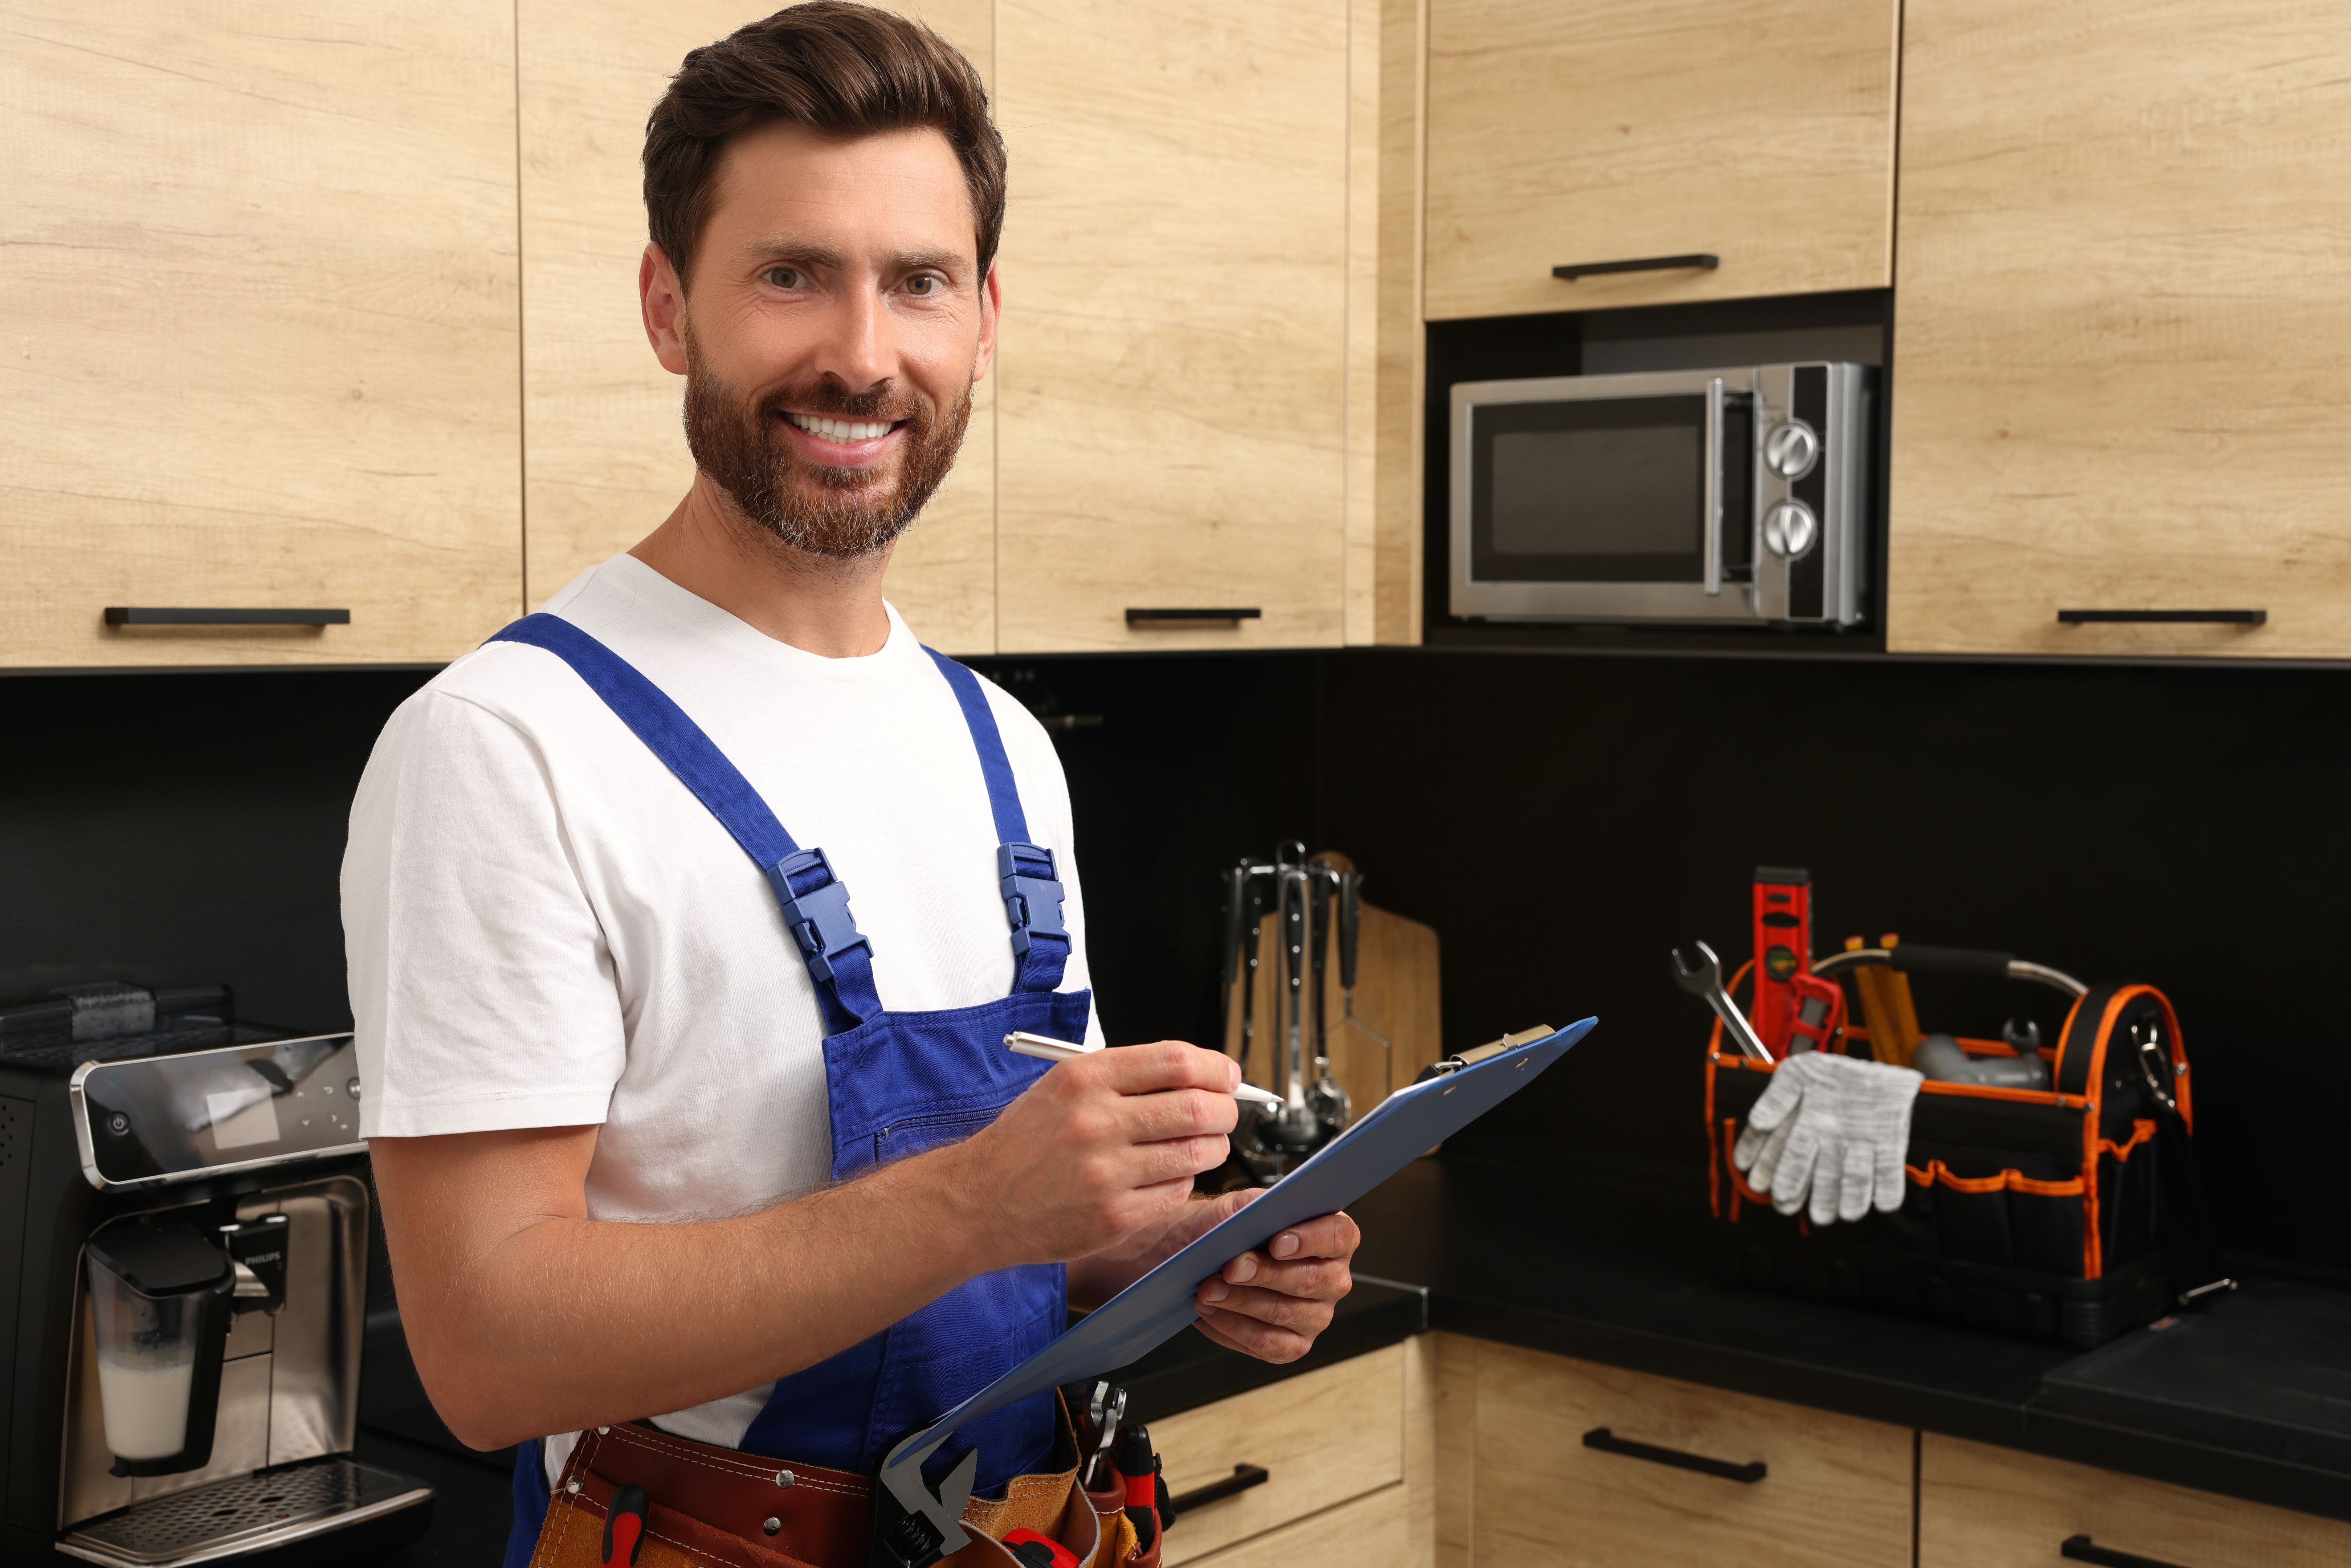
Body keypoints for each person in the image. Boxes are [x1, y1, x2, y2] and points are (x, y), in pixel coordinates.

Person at [341, 6, 1360, 1566]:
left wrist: (1180, 1253)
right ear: (670, 307)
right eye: (791, 273)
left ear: (986, 317)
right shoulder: (507, 747)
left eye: (919, 283)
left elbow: (1027, 1244)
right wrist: (976, 1204)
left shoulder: (1003, 747)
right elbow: (485, 1352)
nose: (864, 356)